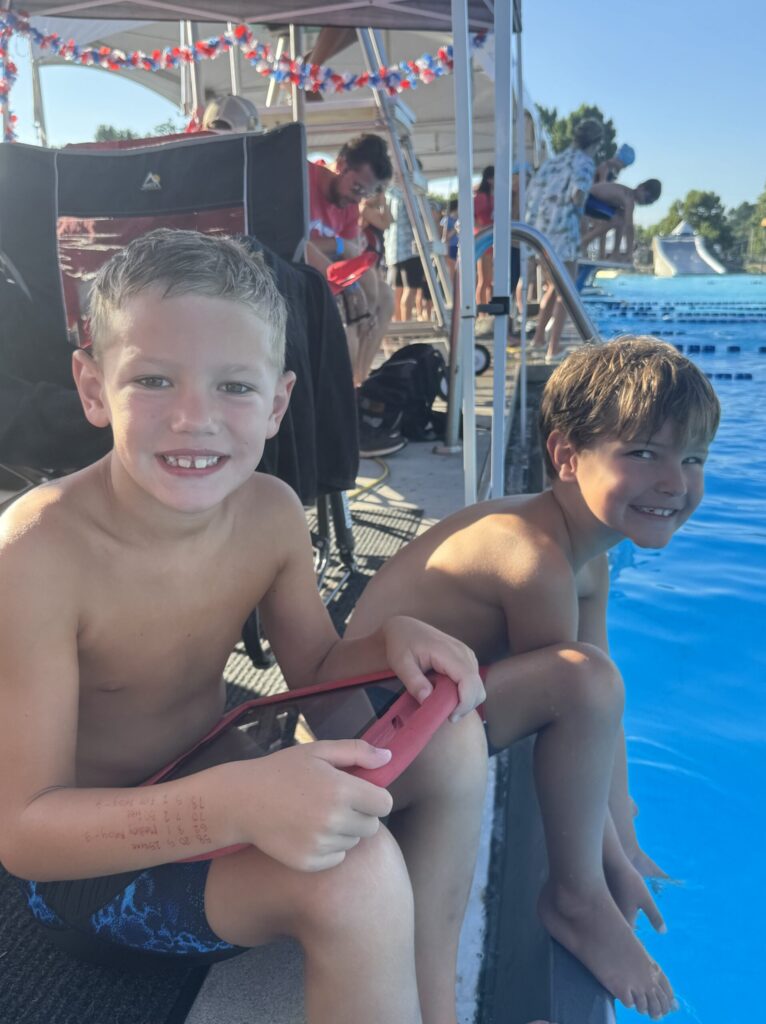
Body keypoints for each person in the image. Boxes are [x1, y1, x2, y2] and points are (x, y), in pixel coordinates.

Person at [0, 229, 489, 1024]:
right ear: (92, 388)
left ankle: (437, 1007)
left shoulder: (268, 511)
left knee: (454, 731)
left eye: (234, 386)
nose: (195, 418)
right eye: (153, 380)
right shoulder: (38, 552)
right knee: (357, 877)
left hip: (221, 770)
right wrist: (232, 806)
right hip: (90, 868)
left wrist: (386, 646)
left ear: (278, 404)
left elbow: (316, 671)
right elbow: (25, 835)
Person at [348, 337, 721, 1018]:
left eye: (692, 458)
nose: (675, 481)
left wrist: (624, 832)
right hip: (367, 751)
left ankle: (590, 884)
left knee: (594, 678)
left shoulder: (586, 554)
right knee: (581, 678)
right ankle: (573, 901)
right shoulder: (534, 559)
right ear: (566, 456)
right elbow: (575, 697)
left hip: (412, 720)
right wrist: (602, 875)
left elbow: (604, 709)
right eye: (644, 453)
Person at [305, 134, 396, 387]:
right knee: (350, 311)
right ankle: (345, 389)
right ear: (342, 164)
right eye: (357, 188)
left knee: (384, 296)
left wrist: (364, 298)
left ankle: (359, 382)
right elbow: (295, 244)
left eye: (364, 193)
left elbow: (354, 256)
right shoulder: (302, 178)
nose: (357, 199)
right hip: (300, 274)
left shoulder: (349, 206)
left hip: (326, 273)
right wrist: (340, 246)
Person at [525, 118, 603, 361]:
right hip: (564, 233)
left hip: (541, 233)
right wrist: (583, 215)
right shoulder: (585, 162)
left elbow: (533, 194)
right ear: (596, 143)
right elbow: (578, 193)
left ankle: (539, 339)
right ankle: (554, 348)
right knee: (567, 293)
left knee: (555, 287)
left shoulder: (553, 162)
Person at [582, 179, 662, 261]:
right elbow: (629, 227)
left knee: (621, 217)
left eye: (650, 203)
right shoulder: (628, 198)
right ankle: (584, 242)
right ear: (641, 188)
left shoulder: (627, 195)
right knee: (617, 219)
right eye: (647, 199)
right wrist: (630, 254)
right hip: (586, 199)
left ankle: (615, 253)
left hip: (590, 200)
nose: (646, 203)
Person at [474, 165, 495, 323]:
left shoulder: (493, 196)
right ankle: (482, 314)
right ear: (489, 179)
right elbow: (471, 217)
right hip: (484, 241)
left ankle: (487, 312)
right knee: (484, 279)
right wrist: (481, 229)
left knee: (490, 280)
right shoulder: (481, 197)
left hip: (492, 241)